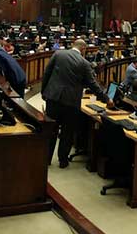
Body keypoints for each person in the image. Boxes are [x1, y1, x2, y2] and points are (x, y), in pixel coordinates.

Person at [41, 39, 114, 168]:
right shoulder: (84, 63)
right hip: (71, 101)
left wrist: (44, 92)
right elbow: (93, 85)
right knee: (67, 132)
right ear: (83, 49)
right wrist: (106, 99)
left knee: (51, 129)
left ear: (73, 46)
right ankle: (63, 161)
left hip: (53, 97)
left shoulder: (58, 54)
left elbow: (47, 73)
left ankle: (46, 159)